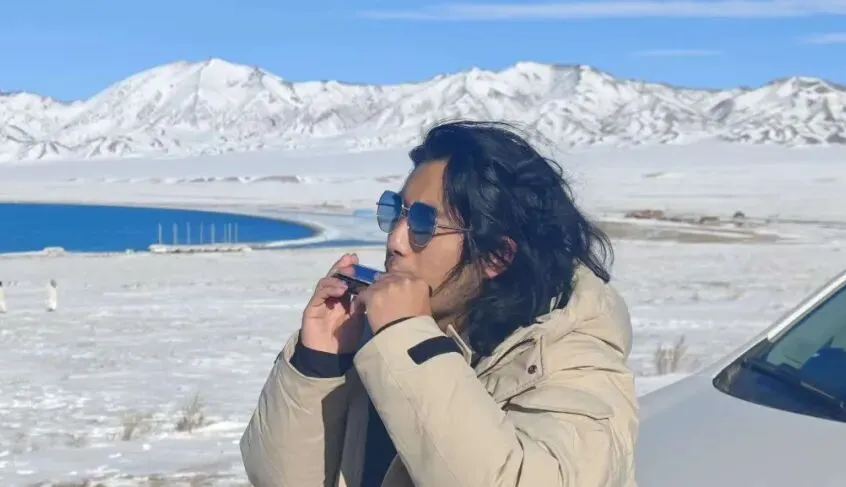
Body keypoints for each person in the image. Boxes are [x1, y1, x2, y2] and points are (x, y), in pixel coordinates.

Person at [240, 120, 638, 487]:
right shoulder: (380, 336)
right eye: (396, 213)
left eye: (422, 224)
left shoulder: (575, 361)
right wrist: (320, 363)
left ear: (495, 256)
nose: (394, 241)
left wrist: (407, 340)